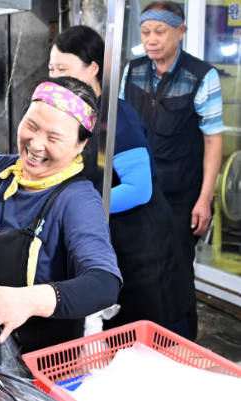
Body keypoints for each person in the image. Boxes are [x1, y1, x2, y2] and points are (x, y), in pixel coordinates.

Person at [0, 26, 196, 340]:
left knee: (153, 333)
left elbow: (139, 188)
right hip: (96, 239)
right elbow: (40, 163)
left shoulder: (118, 118)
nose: (53, 76)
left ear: (93, 68)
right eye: (51, 69)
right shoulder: (61, 115)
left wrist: (77, 209)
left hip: (139, 248)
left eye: (62, 69)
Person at [0, 76, 122, 354]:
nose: (35, 144)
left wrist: (29, 301)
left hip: (38, 363)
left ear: (80, 145)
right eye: (31, 126)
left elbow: (104, 283)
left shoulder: (77, 200)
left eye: (54, 137)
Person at [120, 1, 223, 339]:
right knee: (137, 266)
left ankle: (182, 344)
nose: (151, 39)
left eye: (159, 31)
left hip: (180, 195)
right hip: (137, 189)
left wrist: (205, 199)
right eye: (146, 31)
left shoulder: (201, 76)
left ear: (180, 31)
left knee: (176, 271)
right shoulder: (131, 71)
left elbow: (212, 142)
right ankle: (137, 339)